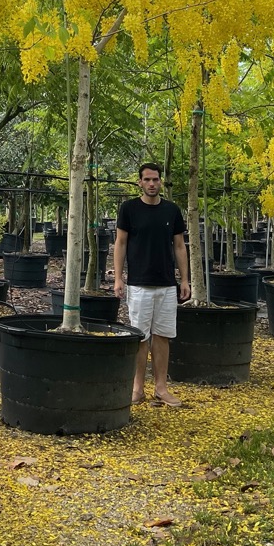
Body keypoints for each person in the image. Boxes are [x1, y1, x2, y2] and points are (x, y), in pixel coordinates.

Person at [113, 162, 190, 407]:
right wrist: (118, 277)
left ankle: (161, 388)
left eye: (156, 180)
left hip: (166, 284)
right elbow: (120, 243)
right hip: (139, 284)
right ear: (140, 182)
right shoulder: (129, 209)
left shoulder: (172, 211)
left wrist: (185, 279)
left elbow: (179, 246)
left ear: (161, 182)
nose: (152, 184)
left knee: (163, 336)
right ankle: (137, 388)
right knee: (140, 337)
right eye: (147, 180)